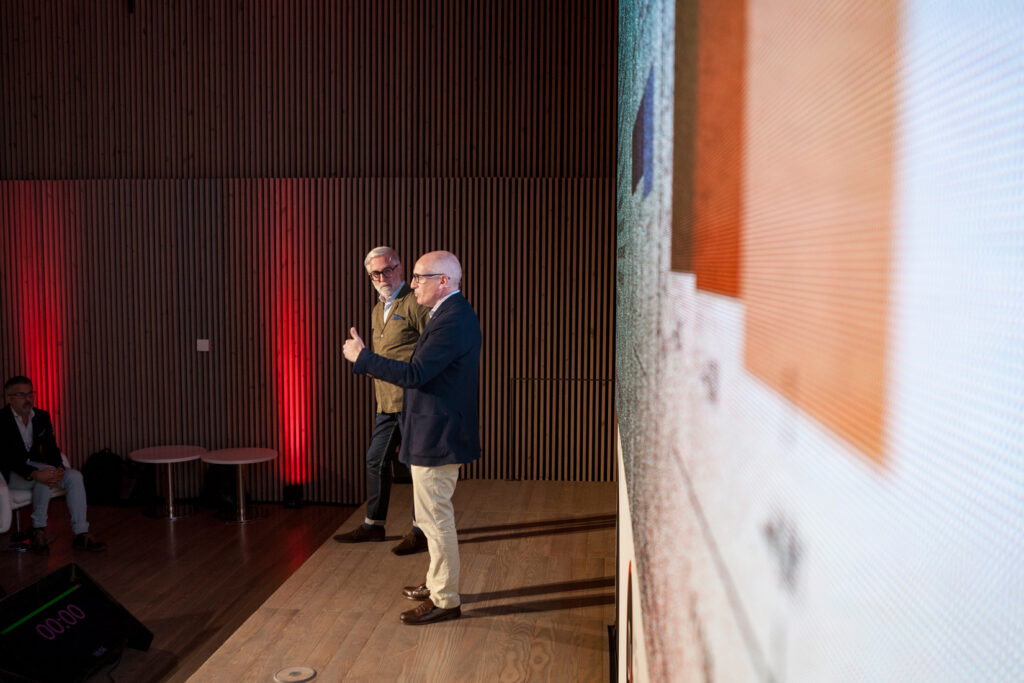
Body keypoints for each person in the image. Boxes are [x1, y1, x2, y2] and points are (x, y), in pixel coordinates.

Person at [343, 250, 481, 625]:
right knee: (431, 517)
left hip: (438, 434)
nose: (414, 283)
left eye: (420, 277)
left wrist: (363, 358)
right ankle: (436, 582)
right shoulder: (447, 313)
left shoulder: (452, 320)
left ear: (444, 282)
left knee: (436, 521)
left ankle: (445, 599)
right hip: (432, 429)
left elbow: (416, 373)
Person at [333, 246, 432, 555]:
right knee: (375, 459)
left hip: (413, 401)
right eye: (375, 273)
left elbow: (432, 348)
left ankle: (421, 531)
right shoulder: (378, 309)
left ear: (400, 268)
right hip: (385, 402)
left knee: (418, 469)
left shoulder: (414, 303)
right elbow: (384, 355)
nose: (382, 277)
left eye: (388, 270)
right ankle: (374, 524)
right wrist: (366, 361)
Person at [0, 376, 106, 553]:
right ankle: (38, 529)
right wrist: (34, 473)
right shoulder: (1, 420)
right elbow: (6, 457)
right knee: (44, 475)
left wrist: (58, 468)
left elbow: (50, 447)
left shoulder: (41, 416)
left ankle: (81, 533)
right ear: (8, 398)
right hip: (10, 473)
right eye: (21, 395)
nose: (28, 399)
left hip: (39, 467)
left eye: (30, 394)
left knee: (75, 476)